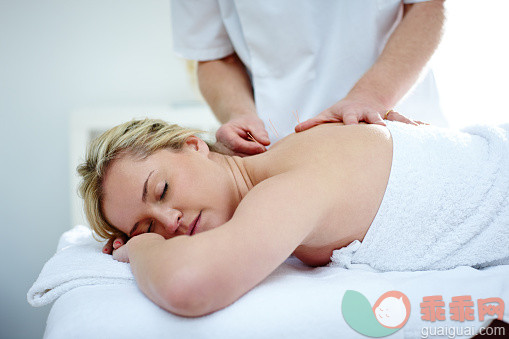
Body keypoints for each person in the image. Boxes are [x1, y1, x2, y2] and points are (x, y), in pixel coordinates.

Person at [77, 118, 509, 317]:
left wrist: (144, 247)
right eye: (147, 226)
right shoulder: (282, 161)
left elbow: (187, 287)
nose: (168, 221)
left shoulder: (285, 187)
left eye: (162, 190)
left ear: (193, 145)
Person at [171, 0, 447, 156]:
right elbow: (213, 54)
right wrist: (238, 113)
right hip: (277, 142)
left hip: (394, 116)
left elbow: (427, 6)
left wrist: (371, 96)